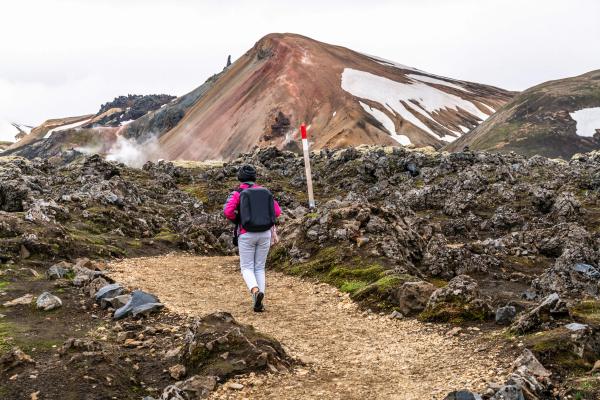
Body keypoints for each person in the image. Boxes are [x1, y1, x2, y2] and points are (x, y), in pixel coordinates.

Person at [223, 165, 281, 312]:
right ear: (254, 177)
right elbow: (277, 212)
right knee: (259, 267)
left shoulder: (237, 193)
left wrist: (238, 219)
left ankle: (255, 292)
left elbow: (228, 211)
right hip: (265, 233)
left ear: (240, 177)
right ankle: (259, 301)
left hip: (246, 233)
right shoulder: (265, 191)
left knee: (247, 267)